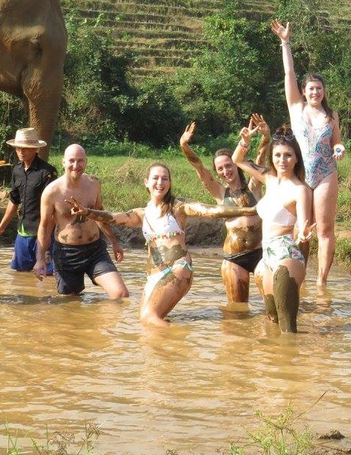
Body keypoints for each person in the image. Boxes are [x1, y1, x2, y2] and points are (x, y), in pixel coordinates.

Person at [68, 162, 258, 327]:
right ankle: (163, 362)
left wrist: (248, 210)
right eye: (155, 178)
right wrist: (87, 212)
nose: (160, 183)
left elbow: (210, 210)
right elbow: (113, 217)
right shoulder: (142, 213)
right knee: (144, 322)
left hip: (179, 268)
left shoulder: (178, 207)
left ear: (169, 183)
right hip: (154, 275)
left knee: (149, 317)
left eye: (165, 179)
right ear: (146, 182)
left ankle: (182, 357)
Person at [271, 20, 343, 287]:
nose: (315, 92)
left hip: (325, 173)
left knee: (324, 230)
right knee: (301, 229)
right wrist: (285, 43)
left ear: (324, 92)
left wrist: (339, 148)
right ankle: (297, 276)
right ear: (304, 92)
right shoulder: (296, 108)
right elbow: (289, 74)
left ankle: (322, 282)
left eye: (319, 89)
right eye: (311, 89)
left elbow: (337, 142)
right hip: (300, 175)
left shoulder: (331, 114)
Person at [179, 116, 271, 303]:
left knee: (272, 304)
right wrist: (184, 146)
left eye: (228, 165)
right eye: (220, 169)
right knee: (237, 311)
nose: (225, 171)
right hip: (233, 258)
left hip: (261, 253)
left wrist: (266, 137)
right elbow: (200, 169)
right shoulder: (220, 193)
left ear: (237, 165)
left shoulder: (253, 187)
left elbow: (261, 157)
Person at [233, 123, 314, 333]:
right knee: (272, 319)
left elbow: (303, 223)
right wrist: (245, 141)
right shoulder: (269, 178)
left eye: (288, 155)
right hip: (266, 256)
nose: (282, 160)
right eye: (277, 155)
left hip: (287, 253)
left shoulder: (301, 190)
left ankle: (291, 359)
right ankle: (277, 362)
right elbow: (238, 160)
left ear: (297, 158)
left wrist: (303, 234)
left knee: (287, 326)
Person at [35, 144, 129, 299]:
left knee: (121, 294)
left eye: (80, 161)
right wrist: (40, 259)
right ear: (63, 162)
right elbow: (44, 226)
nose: (75, 165)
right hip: (66, 253)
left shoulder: (93, 184)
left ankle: (104, 323)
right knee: (71, 304)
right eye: (71, 161)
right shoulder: (51, 192)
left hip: (95, 250)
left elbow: (100, 215)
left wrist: (114, 242)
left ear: (86, 162)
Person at [0, 127, 58, 273]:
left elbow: (54, 209)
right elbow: (14, 200)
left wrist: (47, 236)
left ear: (35, 150)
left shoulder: (47, 173)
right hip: (23, 230)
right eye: (18, 148)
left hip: (43, 230)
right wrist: (1, 226)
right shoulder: (17, 171)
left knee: (46, 274)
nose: (21, 152)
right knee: (20, 274)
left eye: (25, 149)